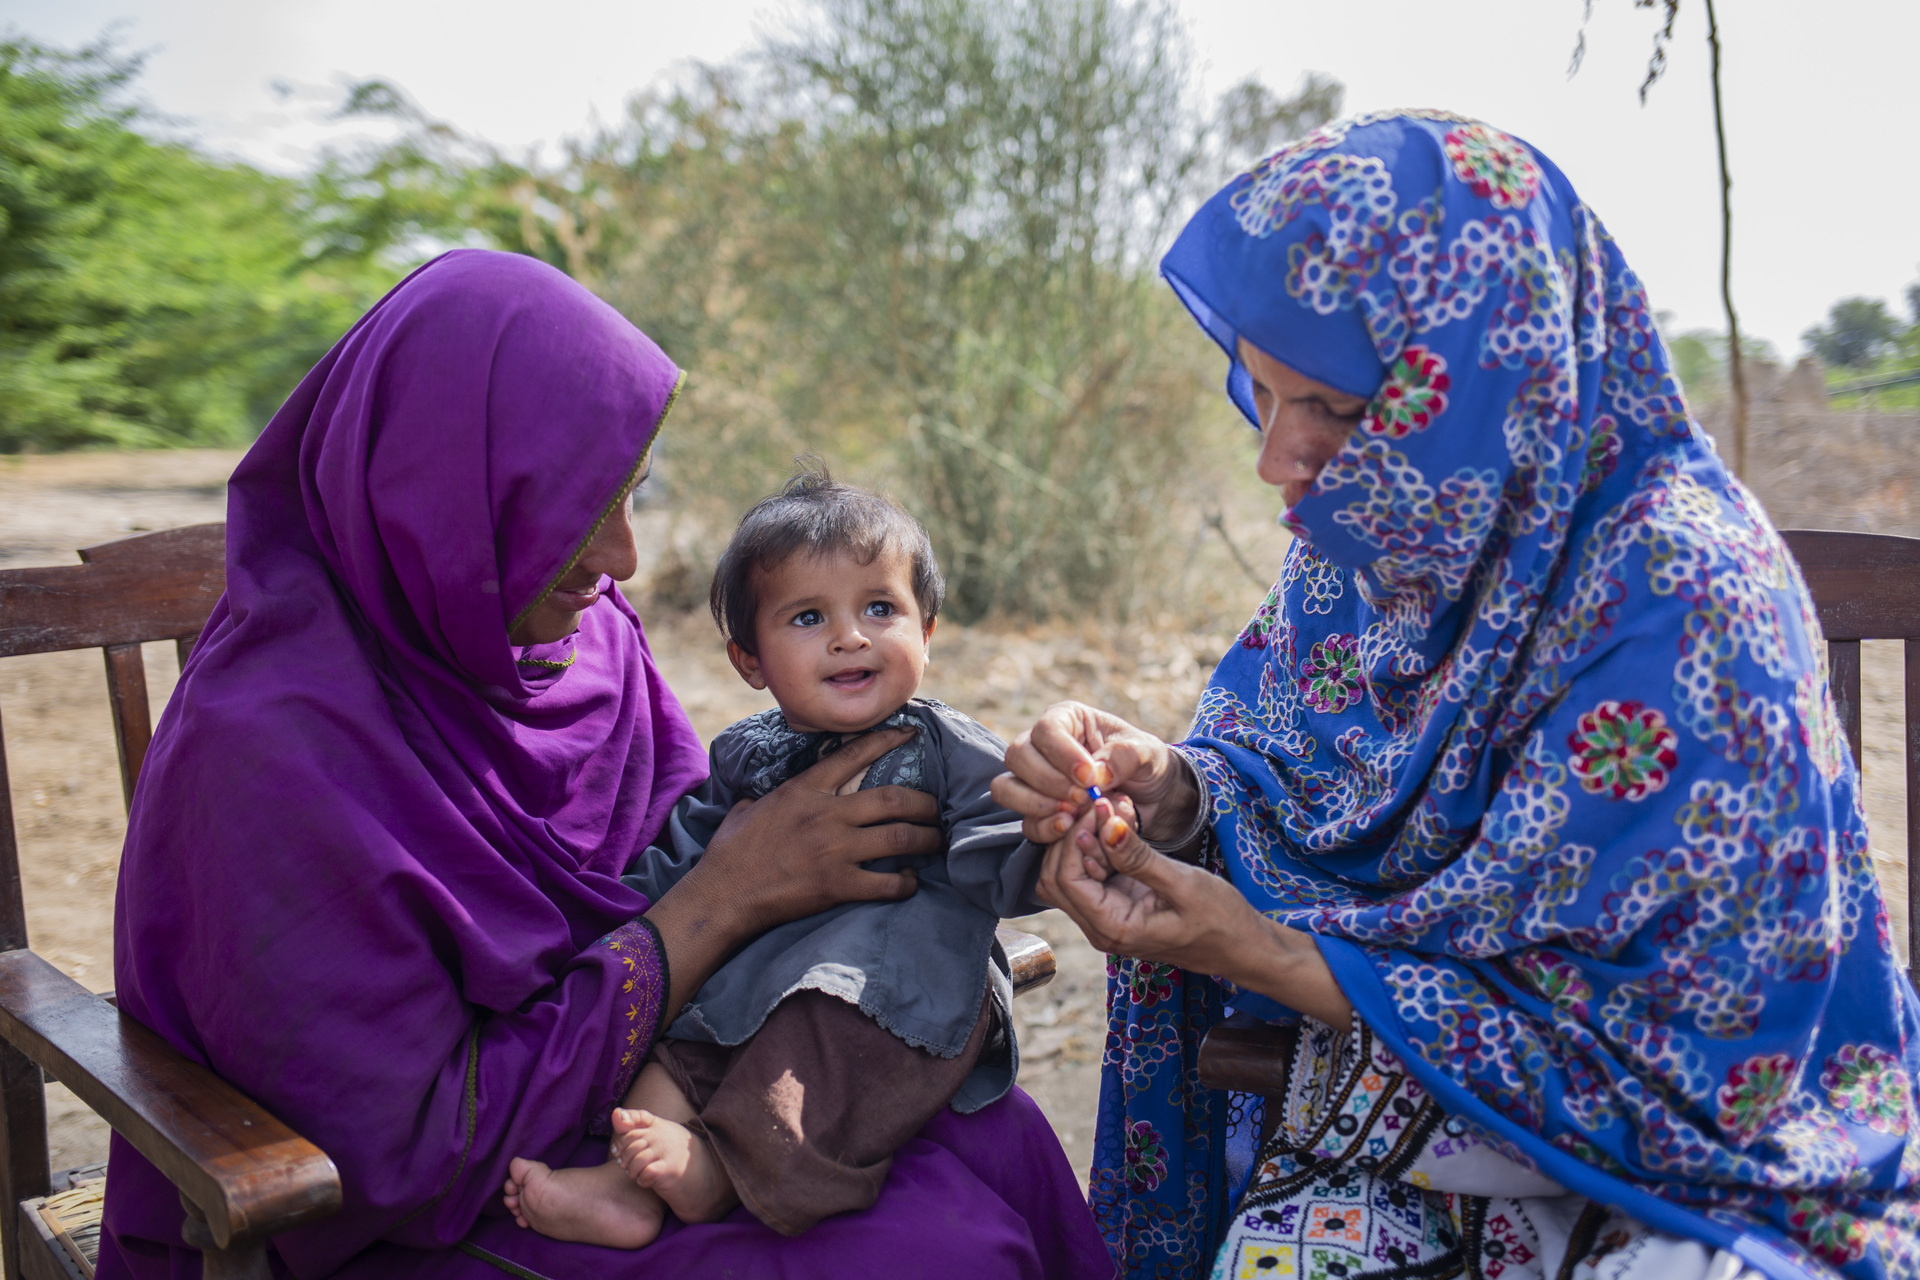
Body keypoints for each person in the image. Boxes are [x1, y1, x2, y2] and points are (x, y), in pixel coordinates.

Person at [993, 111, 1920, 1280]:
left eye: (1330, 407)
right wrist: (1172, 794)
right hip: (1404, 1118)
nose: (1279, 457)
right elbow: (1294, 790)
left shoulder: (1683, 598)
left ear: (1483, 380)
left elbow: (1651, 1042)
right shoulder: (1374, 534)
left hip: (1694, 1173)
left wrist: (1262, 948)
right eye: (1262, 393)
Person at [98, 249, 1111, 1280]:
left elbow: (700, 838)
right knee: (935, 1255)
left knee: (998, 1138)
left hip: (636, 1095)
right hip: (430, 1200)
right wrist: (722, 901)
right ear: (443, 500)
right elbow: (391, 1150)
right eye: (575, 510)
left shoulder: (578, 641)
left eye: (629, 495)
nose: (622, 558)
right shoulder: (268, 754)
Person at [503, 469, 1045, 1244]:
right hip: (752, 977)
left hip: (882, 992)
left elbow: (1001, 845)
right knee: (676, 1046)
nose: (850, 636)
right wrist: (616, 928)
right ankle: (627, 1191)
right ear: (749, 660)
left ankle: (725, 1172)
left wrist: (1051, 839)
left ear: (926, 631)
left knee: (805, 1062)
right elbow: (688, 856)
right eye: (807, 617)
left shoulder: (943, 746)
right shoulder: (749, 755)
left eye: (881, 609)